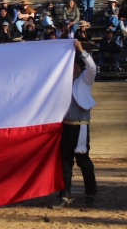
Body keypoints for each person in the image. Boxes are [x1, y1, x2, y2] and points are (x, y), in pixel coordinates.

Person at [53, 40, 98, 209]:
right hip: (65, 125)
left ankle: (91, 192)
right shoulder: (61, 83)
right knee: (65, 161)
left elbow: (92, 68)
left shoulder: (85, 80)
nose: (75, 69)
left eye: (78, 66)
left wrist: (81, 51)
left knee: (83, 160)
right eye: (73, 67)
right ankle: (65, 195)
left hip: (81, 126)